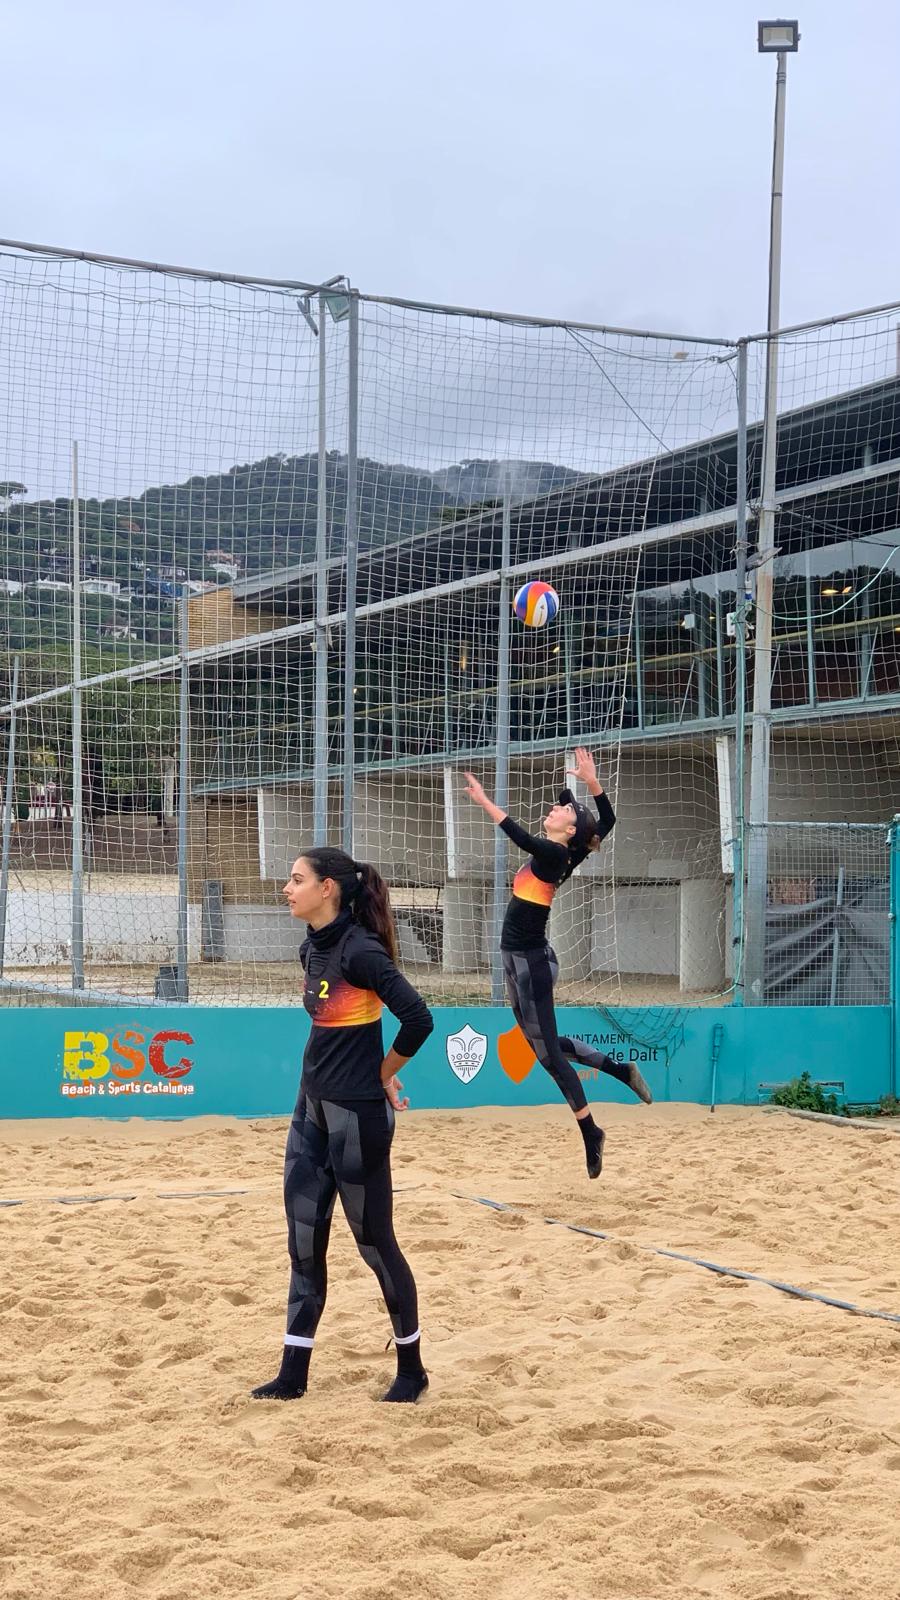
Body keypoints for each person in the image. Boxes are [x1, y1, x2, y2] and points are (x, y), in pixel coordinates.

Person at [252, 847, 434, 1405]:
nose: (287, 889)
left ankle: (411, 1372)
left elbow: (418, 1019)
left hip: (357, 1117)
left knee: (374, 1245)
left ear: (327, 888)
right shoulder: (311, 948)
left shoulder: (361, 950)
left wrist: (383, 1073)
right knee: (303, 1243)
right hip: (310, 1110)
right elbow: (335, 1030)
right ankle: (292, 1375)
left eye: (296, 879)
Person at [463, 747, 651, 1180]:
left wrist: (485, 800)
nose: (555, 807)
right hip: (518, 960)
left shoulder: (553, 853)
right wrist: (591, 782)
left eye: (565, 809)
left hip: (530, 963)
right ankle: (621, 1071)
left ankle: (591, 1132)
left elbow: (520, 836)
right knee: (543, 1046)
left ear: (569, 830)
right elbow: (606, 822)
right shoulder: (569, 851)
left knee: (550, 1056)